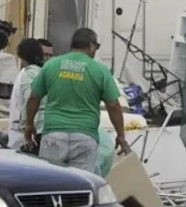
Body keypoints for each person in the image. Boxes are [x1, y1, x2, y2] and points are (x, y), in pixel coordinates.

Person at [24, 28, 131, 173]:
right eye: (97, 46)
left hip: (54, 135)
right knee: (81, 183)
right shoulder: (100, 70)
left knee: (51, 182)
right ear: (91, 45)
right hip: (85, 137)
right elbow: (113, 106)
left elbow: (34, 97)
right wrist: (120, 135)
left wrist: (29, 124)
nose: (96, 51)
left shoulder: (51, 65)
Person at [7, 38, 47, 149]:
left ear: (22, 56)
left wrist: (27, 125)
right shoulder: (43, 72)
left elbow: (30, 100)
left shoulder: (27, 73)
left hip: (29, 132)